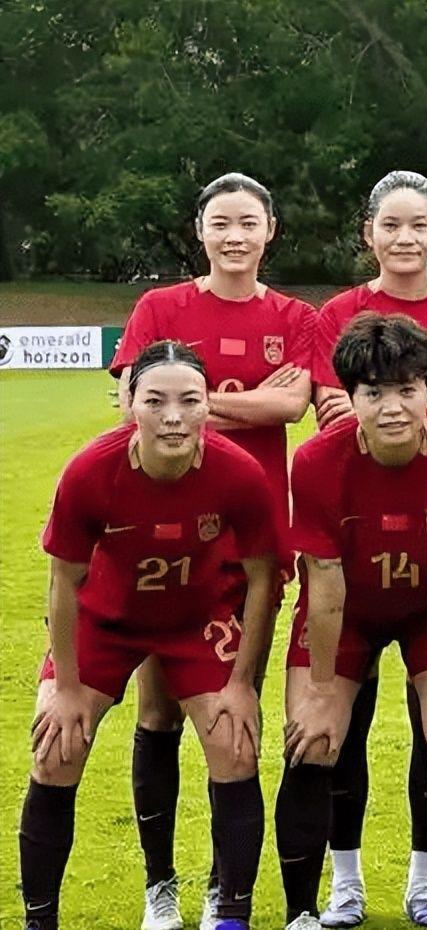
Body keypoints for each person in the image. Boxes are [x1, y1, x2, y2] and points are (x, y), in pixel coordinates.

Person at [108, 173, 315, 930]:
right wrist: (242, 401)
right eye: (220, 222)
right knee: (158, 710)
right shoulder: (160, 307)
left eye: (248, 222)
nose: (234, 236)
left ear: (270, 231)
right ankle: (159, 886)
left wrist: (183, 402)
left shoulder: (293, 316)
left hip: (249, 547)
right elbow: (132, 407)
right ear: (200, 231)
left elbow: (291, 404)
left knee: (234, 714)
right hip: (162, 540)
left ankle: (225, 894)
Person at [20, 341, 281, 930]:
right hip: (106, 622)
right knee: (57, 748)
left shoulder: (239, 472)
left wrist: (242, 683)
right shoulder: (90, 470)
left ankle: (230, 913)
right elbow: (63, 581)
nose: (173, 417)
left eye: (190, 400)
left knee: (235, 742)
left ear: (208, 404)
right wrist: (66, 688)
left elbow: (265, 577)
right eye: (155, 401)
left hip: (196, 620)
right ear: (129, 402)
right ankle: (42, 920)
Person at [310, 171, 427, 928]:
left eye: (419, 224)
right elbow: (333, 418)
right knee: (338, 726)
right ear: (369, 234)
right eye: (390, 224)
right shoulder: (337, 313)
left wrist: (397, 407)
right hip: (355, 540)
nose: (405, 237)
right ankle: (344, 884)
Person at [273, 312, 427, 930]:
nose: (393, 407)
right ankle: (314, 904)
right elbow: (324, 586)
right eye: (374, 393)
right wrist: (322, 689)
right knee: (315, 737)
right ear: (350, 397)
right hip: (347, 614)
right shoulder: (316, 461)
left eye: (407, 389)